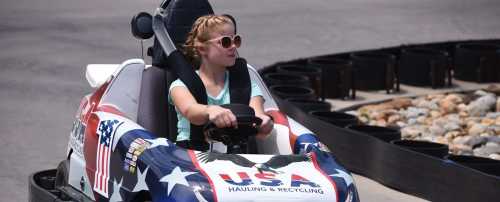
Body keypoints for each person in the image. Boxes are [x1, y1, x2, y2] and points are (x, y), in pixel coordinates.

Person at [168, 14, 273, 148]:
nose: (234, 46)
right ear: (202, 48)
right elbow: (191, 111)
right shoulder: (180, 86)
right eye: (226, 42)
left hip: (234, 158)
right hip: (191, 157)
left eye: (236, 40)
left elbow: (257, 114)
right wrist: (210, 111)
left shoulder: (246, 86)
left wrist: (265, 123)